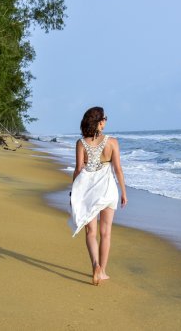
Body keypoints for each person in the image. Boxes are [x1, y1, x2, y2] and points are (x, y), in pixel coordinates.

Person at [68, 106, 128, 286]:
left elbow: (78, 169)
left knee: (91, 232)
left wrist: (74, 192)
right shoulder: (112, 142)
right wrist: (124, 192)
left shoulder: (81, 143)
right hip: (108, 190)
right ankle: (102, 271)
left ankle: (95, 264)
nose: (106, 121)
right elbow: (118, 169)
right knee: (106, 233)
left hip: (88, 191)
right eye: (105, 118)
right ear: (100, 122)